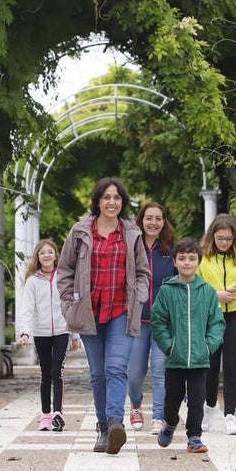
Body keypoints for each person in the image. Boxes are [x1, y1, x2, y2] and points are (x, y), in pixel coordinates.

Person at [56, 177, 151, 455]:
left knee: (116, 369)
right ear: (98, 201)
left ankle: (114, 424)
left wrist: (139, 295)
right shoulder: (80, 232)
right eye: (107, 197)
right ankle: (102, 428)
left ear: (123, 202)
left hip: (122, 310)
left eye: (117, 198)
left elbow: (143, 273)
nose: (112, 202)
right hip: (90, 313)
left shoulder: (131, 233)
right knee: (98, 374)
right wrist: (68, 304)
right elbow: (65, 271)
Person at [152, 237, 225, 454]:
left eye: (192, 259)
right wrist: (169, 346)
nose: (187, 263)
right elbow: (158, 321)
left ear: (198, 262)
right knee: (172, 399)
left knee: (197, 399)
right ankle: (170, 423)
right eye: (182, 258)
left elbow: (217, 323)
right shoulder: (167, 290)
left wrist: (208, 346)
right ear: (174, 261)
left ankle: (194, 436)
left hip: (200, 359)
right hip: (175, 358)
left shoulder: (208, 291)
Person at [198, 214, 236, 435]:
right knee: (210, 368)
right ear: (212, 236)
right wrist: (216, 295)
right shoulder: (203, 259)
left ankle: (230, 415)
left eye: (228, 239)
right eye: (220, 238)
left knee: (232, 368)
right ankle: (209, 407)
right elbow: (195, 288)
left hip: (235, 317)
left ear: (235, 238)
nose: (224, 243)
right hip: (210, 319)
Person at [126, 201, 177, 435]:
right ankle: (135, 405)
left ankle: (159, 416)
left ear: (163, 222)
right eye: (149, 218)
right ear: (141, 220)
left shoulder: (170, 251)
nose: (153, 222)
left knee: (159, 370)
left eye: (158, 218)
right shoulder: (131, 248)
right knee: (134, 373)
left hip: (163, 323)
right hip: (136, 321)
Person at [17, 239, 79, 432]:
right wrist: (25, 331)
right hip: (41, 332)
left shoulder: (63, 277)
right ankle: (45, 415)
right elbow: (27, 309)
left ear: (55, 255)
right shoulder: (32, 281)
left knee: (56, 372)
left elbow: (71, 306)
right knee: (45, 374)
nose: (46, 255)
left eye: (50, 252)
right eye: (42, 252)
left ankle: (57, 413)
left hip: (62, 331)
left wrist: (75, 335)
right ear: (38, 256)